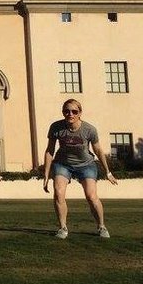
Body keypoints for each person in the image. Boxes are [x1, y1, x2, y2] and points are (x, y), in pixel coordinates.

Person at [42, 98, 119, 238]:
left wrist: (108, 172)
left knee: (91, 196)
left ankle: (101, 226)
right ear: (63, 112)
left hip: (86, 165)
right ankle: (63, 228)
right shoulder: (56, 127)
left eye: (74, 111)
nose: (70, 114)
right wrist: (46, 174)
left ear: (79, 113)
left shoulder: (89, 130)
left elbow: (98, 151)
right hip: (62, 164)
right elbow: (49, 150)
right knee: (58, 193)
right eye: (66, 111)